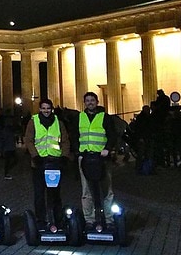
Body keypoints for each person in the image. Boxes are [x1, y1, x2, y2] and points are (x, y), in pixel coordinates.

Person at [23, 98, 72, 230]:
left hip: (55, 163)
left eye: (48, 108)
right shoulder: (33, 122)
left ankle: (57, 219)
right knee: (39, 194)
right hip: (39, 163)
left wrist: (65, 156)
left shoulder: (59, 122)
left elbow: (65, 140)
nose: (46, 111)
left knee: (55, 193)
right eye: (43, 108)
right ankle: (41, 220)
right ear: (40, 109)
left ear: (52, 109)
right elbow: (29, 140)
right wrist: (35, 155)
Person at [76, 91, 117, 229]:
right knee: (86, 191)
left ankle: (109, 219)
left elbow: (112, 135)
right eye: (87, 100)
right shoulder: (79, 117)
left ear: (97, 102)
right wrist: (78, 152)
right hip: (85, 158)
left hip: (102, 158)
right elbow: (74, 135)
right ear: (84, 103)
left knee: (107, 190)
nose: (90, 103)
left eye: (92, 100)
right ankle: (89, 219)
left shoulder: (105, 117)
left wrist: (108, 148)